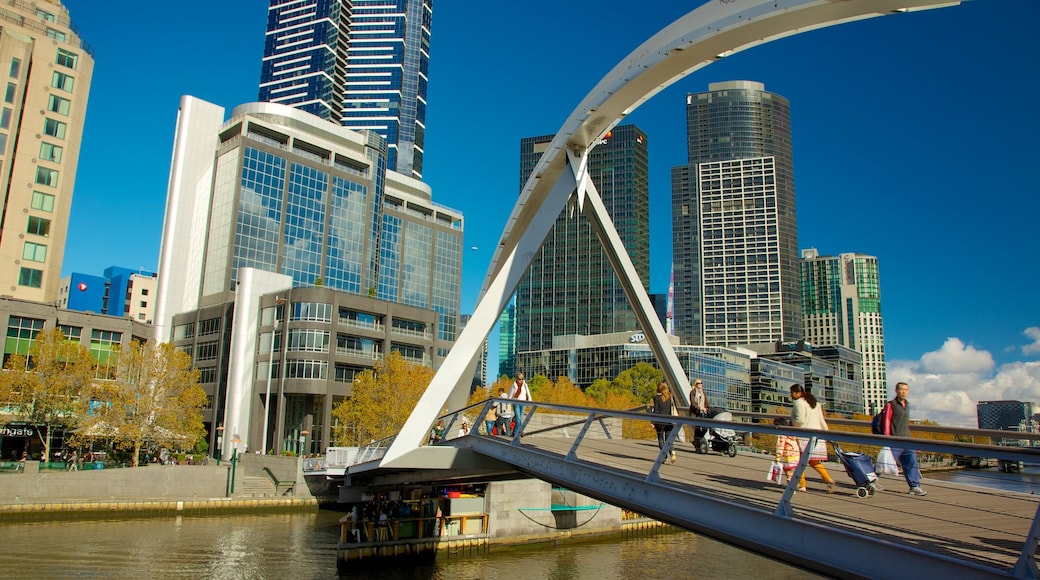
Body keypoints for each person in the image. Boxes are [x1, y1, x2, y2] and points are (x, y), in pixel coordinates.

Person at [880, 382, 927, 496]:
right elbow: (886, 421)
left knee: (911, 463)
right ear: (896, 391)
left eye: (906, 390)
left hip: (907, 440)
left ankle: (914, 486)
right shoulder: (891, 405)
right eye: (901, 390)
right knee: (884, 463)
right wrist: (887, 438)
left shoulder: (907, 405)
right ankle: (869, 481)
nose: (904, 392)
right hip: (895, 440)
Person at [789, 384, 835, 493]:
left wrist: (792, 424)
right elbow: (821, 420)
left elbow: (800, 420)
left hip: (804, 436)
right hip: (818, 435)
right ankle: (828, 479)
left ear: (797, 393)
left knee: (799, 461)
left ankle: (802, 485)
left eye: (791, 393)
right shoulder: (815, 403)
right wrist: (827, 433)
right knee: (813, 461)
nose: (791, 395)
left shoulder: (799, 403)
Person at [651, 381, 677, 464]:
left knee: (661, 439)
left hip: (660, 422)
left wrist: (652, 422)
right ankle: (672, 451)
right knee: (668, 439)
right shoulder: (670, 397)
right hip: (669, 421)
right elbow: (674, 408)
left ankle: (664, 457)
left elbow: (655, 410)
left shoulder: (657, 398)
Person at [773, 417, 801, 486]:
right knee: (795, 468)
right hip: (796, 453)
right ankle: (798, 482)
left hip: (788, 454)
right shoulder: (792, 432)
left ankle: (791, 484)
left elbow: (780, 445)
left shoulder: (782, 434)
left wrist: (778, 456)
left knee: (787, 469)